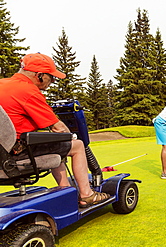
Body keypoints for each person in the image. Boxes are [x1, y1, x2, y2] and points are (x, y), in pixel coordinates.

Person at [0, 53, 110, 207]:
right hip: (14, 155)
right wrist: (71, 136)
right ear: (39, 75)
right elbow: (58, 128)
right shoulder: (28, 91)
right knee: (75, 145)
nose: (52, 81)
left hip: (4, 152)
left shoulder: (3, 84)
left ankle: (65, 190)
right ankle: (87, 194)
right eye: (51, 77)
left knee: (54, 144)